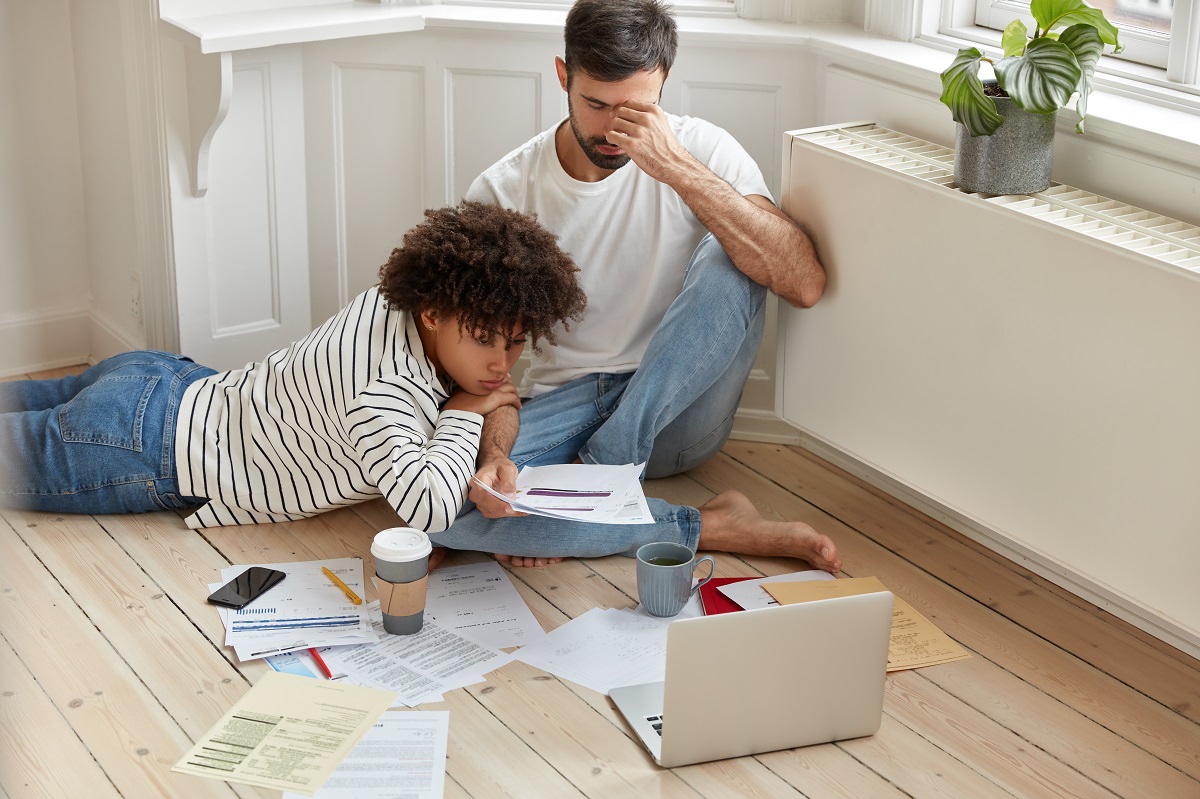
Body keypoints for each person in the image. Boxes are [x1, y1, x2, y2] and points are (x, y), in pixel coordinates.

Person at [432, 0, 842, 573]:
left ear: (664, 81)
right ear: (563, 76)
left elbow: (803, 283)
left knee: (737, 250)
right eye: (595, 104)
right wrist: (494, 455)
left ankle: (602, 477)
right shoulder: (503, 191)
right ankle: (710, 524)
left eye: (634, 109)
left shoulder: (703, 150)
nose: (611, 130)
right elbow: (471, 366)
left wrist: (677, 169)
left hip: (679, 414)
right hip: (568, 409)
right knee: (441, 506)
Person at [0, 202, 587, 543]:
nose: (500, 363)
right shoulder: (380, 391)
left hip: (161, 379)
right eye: (484, 340)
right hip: (138, 446)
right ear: (433, 314)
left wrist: (487, 426)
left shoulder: (393, 305)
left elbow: (501, 395)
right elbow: (429, 508)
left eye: (515, 342)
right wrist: (461, 411)